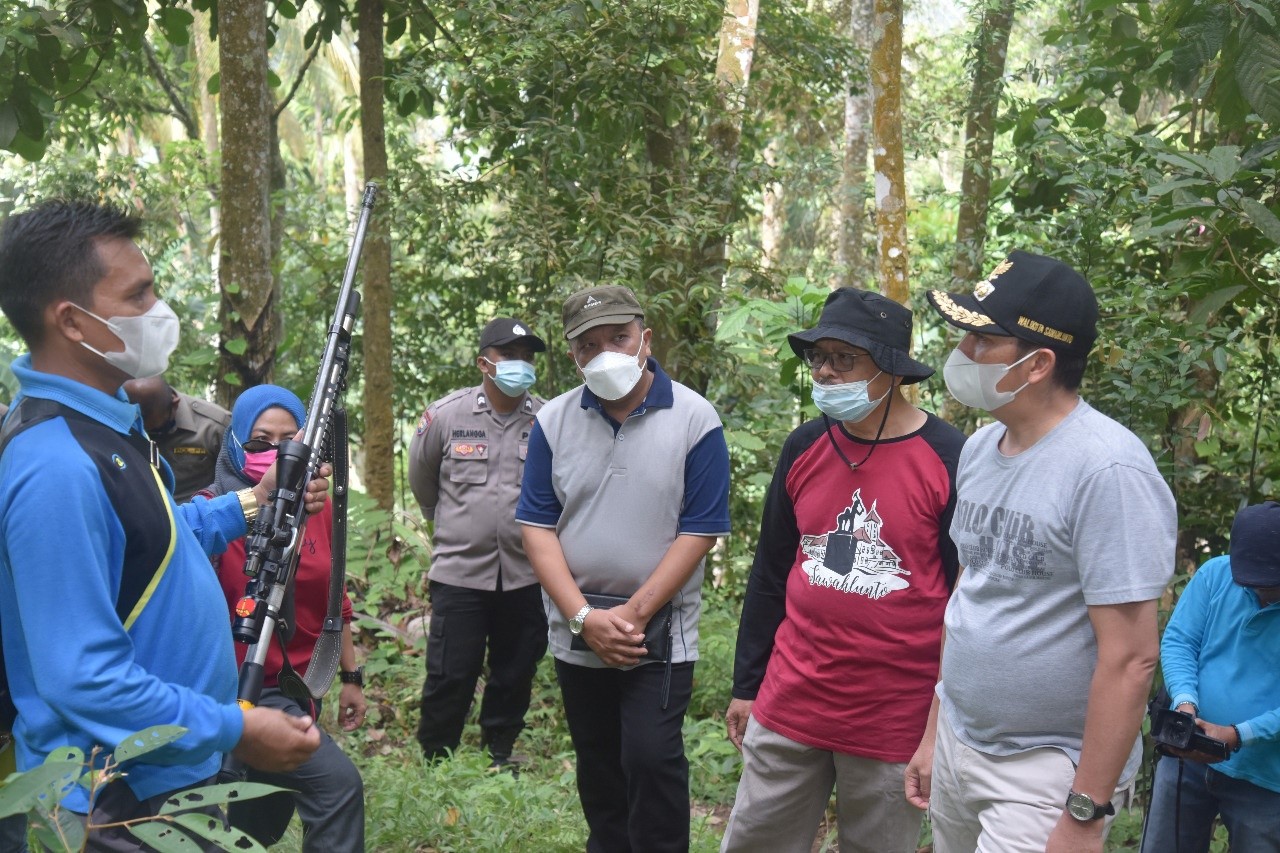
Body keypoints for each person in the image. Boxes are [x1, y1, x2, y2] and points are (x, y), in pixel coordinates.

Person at [0, 199, 323, 848]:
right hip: (105, 804)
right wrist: (237, 727)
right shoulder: (55, 465)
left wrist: (253, 500)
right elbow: (82, 677)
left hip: (166, 776)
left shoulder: (106, 429)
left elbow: (157, 538)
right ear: (72, 320)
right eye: (138, 293)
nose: (158, 309)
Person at [906, 250, 1177, 853]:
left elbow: (1132, 657)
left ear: (1038, 364)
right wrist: (934, 733)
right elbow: (969, 599)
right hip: (960, 740)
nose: (963, 354)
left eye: (983, 340)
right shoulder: (980, 449)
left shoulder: (1108, 469)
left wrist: (1083, 811)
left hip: (1048, 766)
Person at [720, 288, 965, 853]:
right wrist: (747, 684)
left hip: (891, 718)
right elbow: (770, 572)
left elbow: (965, 601)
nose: (826, 372)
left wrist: (937, 729)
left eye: (844, 359)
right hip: (791, 701)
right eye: (819, 358)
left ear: (891, 369)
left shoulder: (950, 457)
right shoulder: (806, 445)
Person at [516, 284, 731, 853]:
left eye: (619, 337)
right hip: (577, 621)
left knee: (651, 756)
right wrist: (584, 617)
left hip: (658, 628)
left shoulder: (694, 417)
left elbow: (702, 527)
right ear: (573, 355)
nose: (605, 351)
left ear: (645, 339)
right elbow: (537, 525)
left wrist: (631, 617)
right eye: (589, 344)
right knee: (599, 758)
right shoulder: (553, 421)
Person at [205, 384, 365, 852]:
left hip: (296, 687)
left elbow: (336, 595)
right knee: (336, 786)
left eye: (289, 440)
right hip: (232, 688)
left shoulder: (317, 507)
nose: (276, 453)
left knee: (257, 825)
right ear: (235, 445)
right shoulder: (216, 513)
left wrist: (350, 674)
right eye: (259, 442)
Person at [408, 317, 549, 767]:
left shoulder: (549, 419)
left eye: (527, 358)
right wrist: (451, 524)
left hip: (528, 573)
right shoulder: (446, 416)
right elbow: (422, 481)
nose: (520, 366)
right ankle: (436, 758)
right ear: (484, 363)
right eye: (510, 356)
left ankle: (500, 753)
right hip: (460, 573)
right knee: (451, 673)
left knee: (516, 670)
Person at [1140, 500, 1280, 853]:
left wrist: (1238, 735)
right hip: (1186, 755)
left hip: (1266, 779)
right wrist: (1185, 704)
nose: (1260, 590)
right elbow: (1180, 641)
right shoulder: (1216, 575)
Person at [124, 375, 231, 502]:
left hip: (197, 511)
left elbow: (237, 480)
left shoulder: (214, 427)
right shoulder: (119, 421)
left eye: (154, 431)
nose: (144, 429)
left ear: (174, 404)